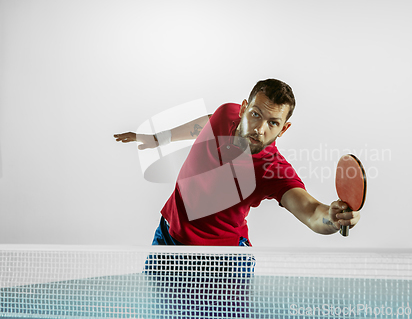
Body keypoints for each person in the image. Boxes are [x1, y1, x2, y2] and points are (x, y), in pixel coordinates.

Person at [114, 78, 360, 247]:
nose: (259, 129)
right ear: (243, 109)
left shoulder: (272, 170)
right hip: (168, 237)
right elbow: (208, 121)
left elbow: (311, 212)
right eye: (255, 115)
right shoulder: (225, 114)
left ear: (283, 129)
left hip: (222, 260)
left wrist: (332, 218)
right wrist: (160, 138)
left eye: (273, 123)